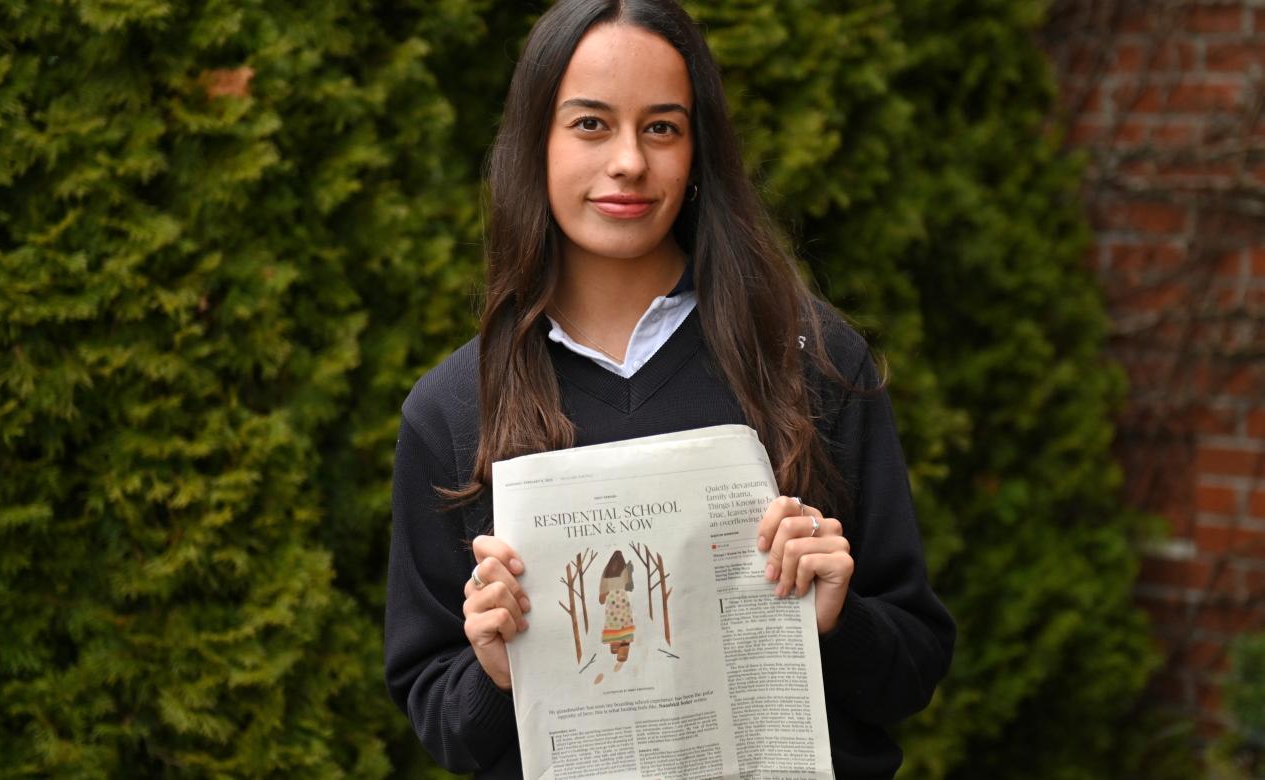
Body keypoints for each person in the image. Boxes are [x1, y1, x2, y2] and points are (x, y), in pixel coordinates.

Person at [384, 1, 956, 778]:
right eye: (590, 124)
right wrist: (492, 671)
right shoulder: (453, 409)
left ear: (697, 152)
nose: (629, 162)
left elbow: (913, 666)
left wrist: (836, 619)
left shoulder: (812, 361)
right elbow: (440, 722)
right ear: (535, 145)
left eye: (661, 127)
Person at [597, 551, 635, 668]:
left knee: (617, 622)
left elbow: (628, 586)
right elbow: (629, 586)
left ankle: (619, 645)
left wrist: (602, 596)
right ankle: (619, 644)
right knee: (619, 622)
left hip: (615, 601)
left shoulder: (611, 571)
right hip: (618, 601)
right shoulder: (616, 571)